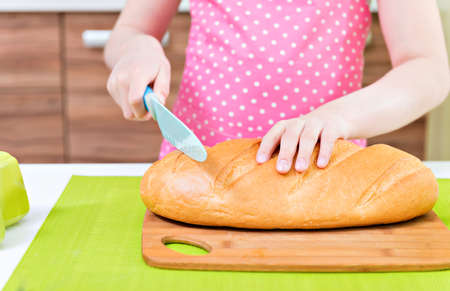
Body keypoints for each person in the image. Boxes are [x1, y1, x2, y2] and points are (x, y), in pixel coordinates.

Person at [104, 0, 450, 174]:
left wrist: (339, 117)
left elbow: (426, 68)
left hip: (323, 175)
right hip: (197, 169)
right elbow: (130, 30)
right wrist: (136, 49)